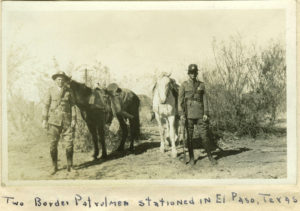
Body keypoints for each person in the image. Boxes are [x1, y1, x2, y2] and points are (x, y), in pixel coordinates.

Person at [178, 64, 217, 166]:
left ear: (197, 73)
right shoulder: (184, 85)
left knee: (204, 136)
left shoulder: (201, 85)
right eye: (191, 73)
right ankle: (191, 158)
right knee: (189, 137)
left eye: (195, 73)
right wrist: (182, 114)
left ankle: (210, 157)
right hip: (189, 114)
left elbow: (205, 100)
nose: (193, 75)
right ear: (188, 74)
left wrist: (206, 113)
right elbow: (180, 101)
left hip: (200, 114)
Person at [42, 71, 77, 175]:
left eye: (62, 79)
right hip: (53, 121)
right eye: (58, 79)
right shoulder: (50, 90)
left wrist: (74, 119)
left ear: (65, 80)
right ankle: (54, 166)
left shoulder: (69, 91)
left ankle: (70, 166)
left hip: (67, 121)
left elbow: (73, 106)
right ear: (55, 80)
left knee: (69, 144)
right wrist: (44, 120)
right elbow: (46, 106)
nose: (60, 81)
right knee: (53, 144)